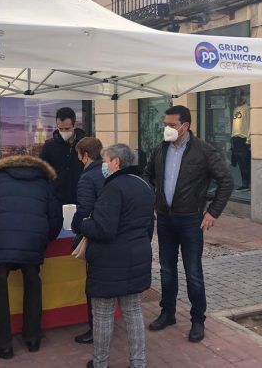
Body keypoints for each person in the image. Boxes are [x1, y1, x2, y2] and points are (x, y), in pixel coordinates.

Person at [143, 105, 233, 343]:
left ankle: (197, 320)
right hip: (164, 218)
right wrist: (154, 199)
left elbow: (226, 180)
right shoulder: (160, 149)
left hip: (191, 220)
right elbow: (147, 174)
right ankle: (167, 313)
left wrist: (212, 212)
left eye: (172, 125)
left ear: (186, 126)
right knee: (166, 269)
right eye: (165, 125)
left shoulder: (203, 151)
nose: (167, 129)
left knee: (193, 271)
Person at [0, 155, 62, 360]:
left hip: (0, 239)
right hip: (32, 241)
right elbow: (55, 218)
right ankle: (33, 339)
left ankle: (3, 345)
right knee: (33, 285)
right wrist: (43, 240)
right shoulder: (44, 182)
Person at [80, 144, 155, 368]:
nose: (103, 166)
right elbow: (149, 226)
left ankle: (101, 363)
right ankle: (138, 363)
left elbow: (104, 229)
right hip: (137, 257)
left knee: (102, 314)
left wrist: (83, 224)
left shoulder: (113, 188)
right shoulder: (145, 185)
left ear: (116, 163)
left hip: (109, 262)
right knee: (133, 312)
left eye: (105, 161)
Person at [70, 137, 105, 345]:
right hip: (111, 233)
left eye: (79, 155)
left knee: (93, 284)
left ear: (85, 155)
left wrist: (75, 226)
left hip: (94, 234)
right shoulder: (108, 170)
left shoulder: (87, 177)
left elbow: (84, 210)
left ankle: (95, 328)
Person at [40, 107, 85, 205]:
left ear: (75, 125)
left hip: (80, 197)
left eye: (67, 129)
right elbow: (42, 170)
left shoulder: (85, 144)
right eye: (60, 128)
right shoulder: (49, 146)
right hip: (56, 198)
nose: (63, 131)